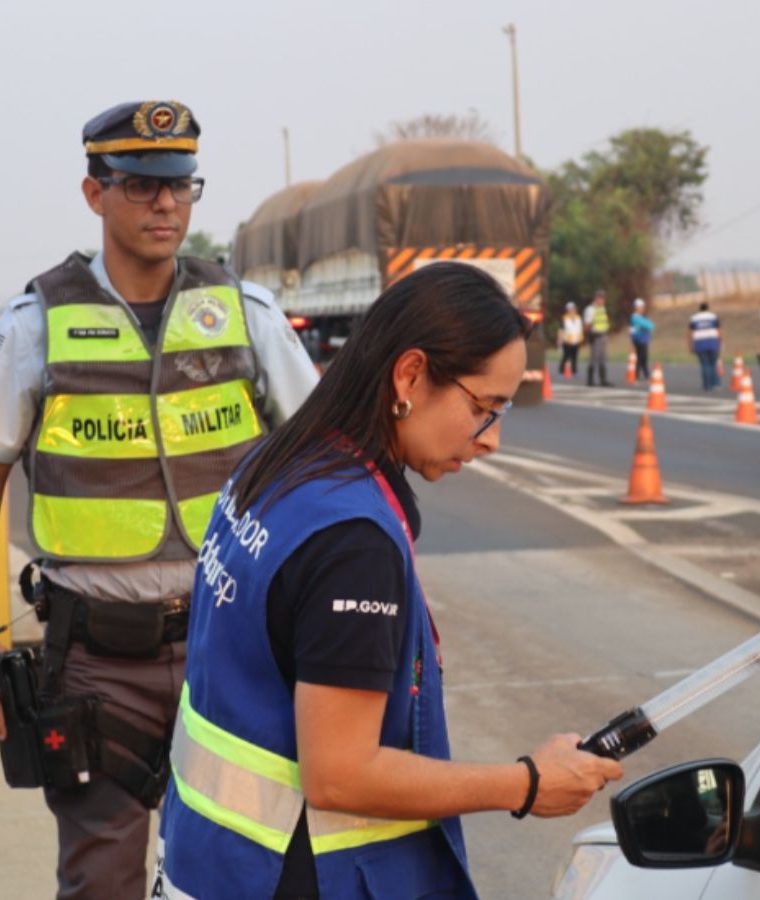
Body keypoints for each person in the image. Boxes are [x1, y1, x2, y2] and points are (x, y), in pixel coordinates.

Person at [0, 100, 318, 899]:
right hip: (96, 665)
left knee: (259, 873)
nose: (166, 205)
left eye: (181, 186)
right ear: (94, 193)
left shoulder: (244, 315)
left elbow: (327, 456)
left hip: (237, 650)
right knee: (101, 881)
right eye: (142, 186)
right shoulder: (39, 324)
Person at [155, 263, 624, 899]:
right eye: (484, 408)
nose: (492, 440)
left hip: (208, 859)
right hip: (294, 875)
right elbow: (340, 777)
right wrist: (527, 783)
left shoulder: (277, 461)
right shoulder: (353, 542)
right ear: (408, 376)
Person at [689, 301, 722, 390]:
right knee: (713, 363)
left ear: (700, 309)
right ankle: (715, 383)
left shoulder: (694, 318)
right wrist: (720, 341)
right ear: (708, 308)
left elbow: (691, 332)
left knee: (705, 364)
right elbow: (718, 330)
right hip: (712, 342)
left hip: (700, 343)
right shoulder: (713, 316)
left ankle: (707, 385)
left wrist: (691, 345)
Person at [584, 290, 612, 386]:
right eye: (601, 298)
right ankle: (590, 380)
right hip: (595, 336)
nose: (603, 300)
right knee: (594, 358)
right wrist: (589, 336)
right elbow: (587, 324)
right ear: (596, 299)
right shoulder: (590, 309)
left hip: (603, 335)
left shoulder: (602, 309)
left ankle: (603, 380)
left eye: (603, 298)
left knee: (603, 358)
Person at [557, 300, 584, 379]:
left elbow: (580, 329)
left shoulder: (578, 318)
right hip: (567, 341)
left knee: (574, 358)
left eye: (573, 308)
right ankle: (561, 372)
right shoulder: (564, 318)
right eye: (570, 308)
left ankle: (574, 372)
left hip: (576, 341)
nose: (572, 310)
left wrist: (581, 339)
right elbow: (561, 331)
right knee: (565, 357)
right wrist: (559, 341)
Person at [629, 298, 655, 380]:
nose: (642, 309)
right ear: (637, 307)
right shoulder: (635, 317)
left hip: (642, 339)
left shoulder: (640, 317)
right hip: (639, 340)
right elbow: (650, 325)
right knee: (641, 358)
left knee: (644, 357)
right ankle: (637, 375)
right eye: (641, 307)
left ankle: (646, 374)